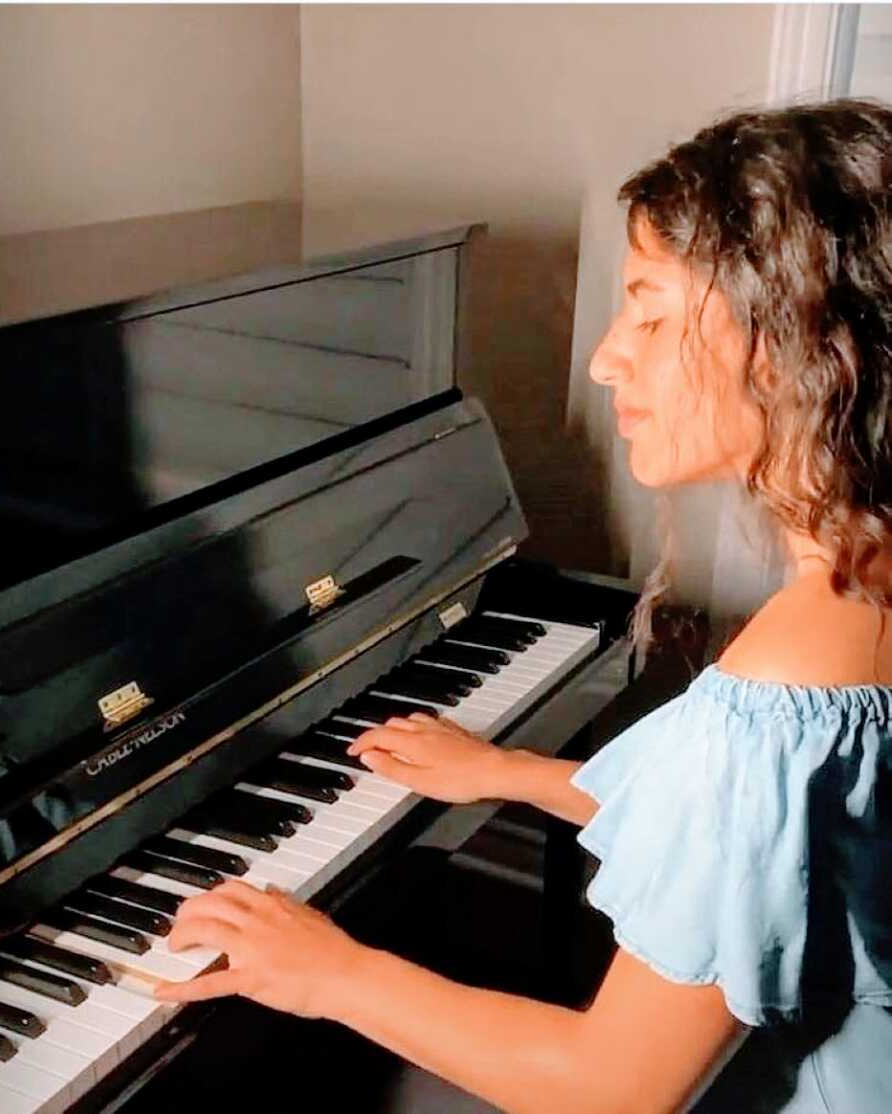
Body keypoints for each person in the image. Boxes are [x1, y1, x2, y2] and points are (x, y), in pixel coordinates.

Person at [156, 98, 892, 1113]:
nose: (605, 356)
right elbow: (764, 842)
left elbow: (613, 1087)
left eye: (648, 306)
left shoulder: (794, 672)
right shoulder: (865, 584)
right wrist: (512, 771)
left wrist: (332, 972)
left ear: (784, 336)